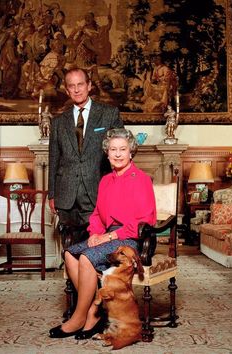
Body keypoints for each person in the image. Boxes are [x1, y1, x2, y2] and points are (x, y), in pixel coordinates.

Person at [49, 128, 157, 339]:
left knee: (87, 258)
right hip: (107, 235)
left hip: (131, 239)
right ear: (107, 153)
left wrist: (107, 237)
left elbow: (145, 221)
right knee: (70, 254)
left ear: (131, 152)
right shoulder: (106, 180)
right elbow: (97, 214)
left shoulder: (141, 179)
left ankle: (81, 317)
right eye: (113, 149)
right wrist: (94, 234)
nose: (117, 154)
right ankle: (95, 311)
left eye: (122, 149)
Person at [48, 67, 124, 233]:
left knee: (95, 246)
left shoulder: (109, 114)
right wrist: (52, 194)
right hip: (66, 195)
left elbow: (122, 150)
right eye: (71, 86)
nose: (76, 89)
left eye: (80, 84)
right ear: (67, 90)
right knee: (69, 246)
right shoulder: (58, 122)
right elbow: (54, 159)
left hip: (96, 191)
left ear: (89, 86)